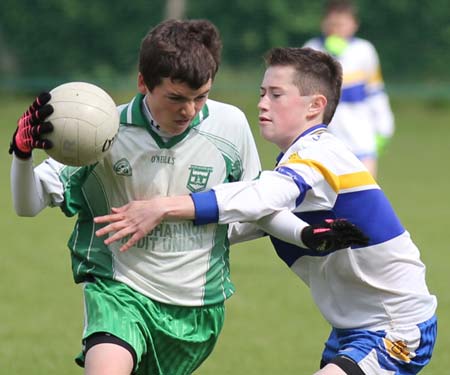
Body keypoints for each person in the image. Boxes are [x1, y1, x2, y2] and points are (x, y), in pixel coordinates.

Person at [94, 47, 437, 375]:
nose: (261, 104)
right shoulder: (298, 161)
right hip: (353, 329)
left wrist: (164, 207)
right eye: (261, 93)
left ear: (315, 106)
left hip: (396, 327)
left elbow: (259, 197)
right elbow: (253, 220)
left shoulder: (321, 155)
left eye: (276, 94)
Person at [9, 19, 266, 375]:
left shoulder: (231, 127)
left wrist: (301, 232)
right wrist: (22, 155)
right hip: (119, 291)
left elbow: (258, 206)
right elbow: (28, 204)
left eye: (200, 97)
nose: (189, 111)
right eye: (176, 98)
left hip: (195, 308)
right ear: (143, 82)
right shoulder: (101, 132)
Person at [303, 0, 395, 178]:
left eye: (341, 24)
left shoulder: (364, 50)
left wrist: (384, 128)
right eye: (332, 24)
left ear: (354, 24)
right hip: (325, 137)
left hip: (359, 136)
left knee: (366, 190)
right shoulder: (312, 48)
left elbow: (375, 92)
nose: (336, 29)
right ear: (323, 23)